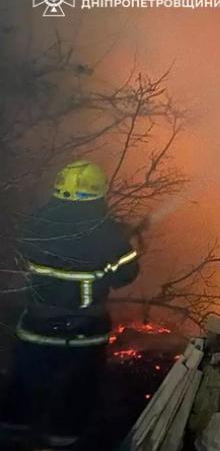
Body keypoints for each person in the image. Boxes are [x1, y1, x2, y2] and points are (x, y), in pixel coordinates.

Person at [1, 160, 139, 448]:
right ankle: (61, 441)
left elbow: (22, 260)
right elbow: (125, 276)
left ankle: (11, 434)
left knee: (24, 383)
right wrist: (122, 240)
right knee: (76, 391)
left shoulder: (34, 224)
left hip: (36, 327)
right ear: (98, 193)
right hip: (84, 334)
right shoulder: (108, 236)